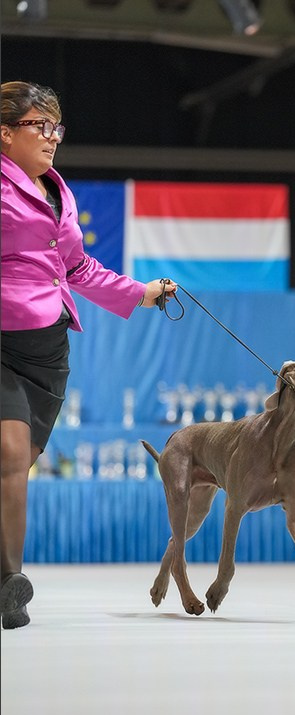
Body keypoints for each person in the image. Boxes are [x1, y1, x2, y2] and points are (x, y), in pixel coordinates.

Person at [1, 80, 178, 629]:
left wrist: (140, 292)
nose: (52, 138)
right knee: (9, 453)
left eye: (57, 127)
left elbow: (77, 269)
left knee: (17, 465)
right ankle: (11, 584)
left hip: (46, 347)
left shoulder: (58, 191)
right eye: (39, 126)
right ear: (5, 134)